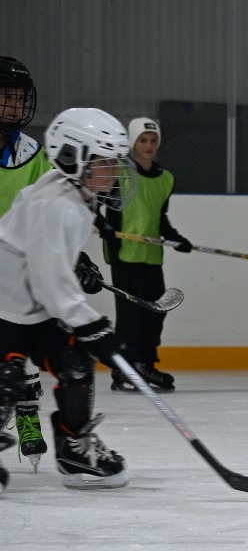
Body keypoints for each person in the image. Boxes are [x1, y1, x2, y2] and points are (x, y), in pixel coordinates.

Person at [0, 107, 138, 492]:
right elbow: (50, 284)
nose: (114, 171)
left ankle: (74, 448)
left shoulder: (71, 192)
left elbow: (45, 260)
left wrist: (76, 261)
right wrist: (95, 327)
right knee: (7, 379)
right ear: (71, 158)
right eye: (105, 161)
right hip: (5, 310)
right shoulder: (58, 205)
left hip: (33, 311)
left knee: (74, 359)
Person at [101, 117, 193, 392]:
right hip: (125, 254)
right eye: (143, 140)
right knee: (130, 315)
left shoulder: (165, 179)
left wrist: (177, 238)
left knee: (156, 312)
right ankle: (125, 369)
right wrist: (106, 229)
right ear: (132, 142)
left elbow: (159, 219)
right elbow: (108, 209)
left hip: (151, 256)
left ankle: (145, 365)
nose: (149, 145)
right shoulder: (118, 172)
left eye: (153, 141)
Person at [0, 57, 56, 471]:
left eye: (18, 97)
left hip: (16, 275)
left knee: (22, 356)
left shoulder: (34, 154)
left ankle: (27, 421)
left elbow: (50, 211)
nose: (14, 105)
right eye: (5, 96)